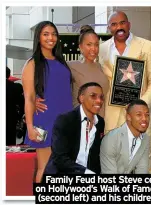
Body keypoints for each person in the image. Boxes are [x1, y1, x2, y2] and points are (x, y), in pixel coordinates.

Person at [99, 11, 151, 173]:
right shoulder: (102, 49)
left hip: (140, 115)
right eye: (114, 24)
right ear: (109, 28)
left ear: (129, 24)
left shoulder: (146, 46)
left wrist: (141, 105)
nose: (119, 27)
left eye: (122, 23)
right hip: (112, 116)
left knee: (143, 164)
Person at [22, 21, 73, 182]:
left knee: (62, 167)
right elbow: (29, 97)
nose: (51, 38)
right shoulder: (32, 63)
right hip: (45, 119)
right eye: (46, 34)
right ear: (38, 37)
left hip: (65, 120)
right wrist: (30, 126)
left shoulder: (61, 61)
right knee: (46, 167)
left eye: (54, 34)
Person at [36, 25, 109, 118]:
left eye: (96, 44)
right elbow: (46, 79)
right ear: (81, 47)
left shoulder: (101, 67)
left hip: (99, 123)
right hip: (79, 122)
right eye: (89, 44)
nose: (93, 49)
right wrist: (34, 98)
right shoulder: (70, 66)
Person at [44, 82, 105, 174]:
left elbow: (95, 155)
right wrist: (85, 172)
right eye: (93, 96)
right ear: (81, 98)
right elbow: (60, 158)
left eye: (101, 97)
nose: (99, 101)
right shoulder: (65, 120)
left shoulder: (100, 122)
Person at [100, 99, 150, 174]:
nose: (144, 119)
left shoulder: (145, 138)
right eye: (139, 115)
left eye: (147, 115)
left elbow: (142, 169)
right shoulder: (111, 139)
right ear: (128, 117)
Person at [6, 67, 24, 146]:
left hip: (11, 119)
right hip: (10, 119)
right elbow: (21, 103)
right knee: (9, 144)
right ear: (9, 75)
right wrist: (20, 116)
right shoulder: (15, 87)